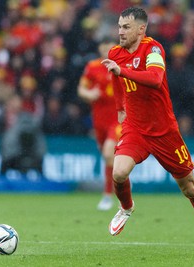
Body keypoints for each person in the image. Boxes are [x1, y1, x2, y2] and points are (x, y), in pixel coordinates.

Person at [100, 7, 194, 256]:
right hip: (136, 128)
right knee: (119, 172)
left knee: (189, 188)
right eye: (119, 26)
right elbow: (115, 76)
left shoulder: (153, 49)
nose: (120, 31)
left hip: (164, 131)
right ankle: (126, 207)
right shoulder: (116, 53)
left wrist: (121, 71)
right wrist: (120, 108)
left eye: (126, 27)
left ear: (141, 29)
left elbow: (155, 79)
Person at [78, 38, 121, 211]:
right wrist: (88, 94)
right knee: (108, 158)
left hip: (118, 120)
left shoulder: (121, 67)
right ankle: (123, 183)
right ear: (100, 49)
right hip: (99, 121)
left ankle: (107, 195)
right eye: (104, 48)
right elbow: (81, 88)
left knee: (108, 152)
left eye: (110, 49)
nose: (107, 52)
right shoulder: (92, 67)